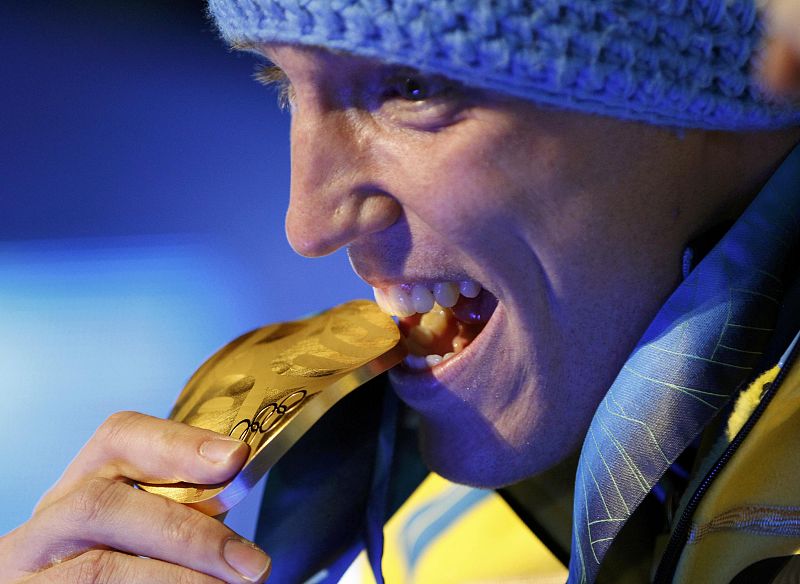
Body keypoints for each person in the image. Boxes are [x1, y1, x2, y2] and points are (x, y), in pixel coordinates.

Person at [2, 1, 800, 582]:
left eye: (412, 87)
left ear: (717, 80)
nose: (308, 222)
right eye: (283, 83)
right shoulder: (427, 547)